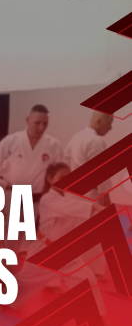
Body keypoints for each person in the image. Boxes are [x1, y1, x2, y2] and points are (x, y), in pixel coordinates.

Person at [5, 162, 115, 326]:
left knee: (88, 281)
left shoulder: (68, 198)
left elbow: (77, 216)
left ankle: (97, 319)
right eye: (61, 177)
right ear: (50, 179)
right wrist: (96, 207)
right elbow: (75, 208)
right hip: (44, 252)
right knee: (24, 283)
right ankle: (3, 299)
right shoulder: (48, 199)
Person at [0, 105, 64, 256]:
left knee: (38, 242)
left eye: (45, 123)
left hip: (40, 199)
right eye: (37, 123)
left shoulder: (54, 145)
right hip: (15, 196)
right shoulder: (11, 141)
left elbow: (61, 175)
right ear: (27, 120)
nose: (41, 128)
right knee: (11, 241)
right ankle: (6, 267)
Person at [64, 112, 114, 278]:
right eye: (109, 124)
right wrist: (105, 194)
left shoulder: (76, 137)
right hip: (90, 194)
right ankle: (94, 271)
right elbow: (100, 171)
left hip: (72, 192)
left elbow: (65, 160)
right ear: (99, 122)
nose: (110, 128)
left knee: (76, 231)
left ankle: (77, 268)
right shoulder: (96, 141)